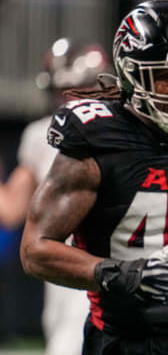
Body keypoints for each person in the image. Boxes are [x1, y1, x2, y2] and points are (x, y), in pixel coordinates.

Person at [20, 0, 168, 354]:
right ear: (131, 75)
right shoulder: (98, 139)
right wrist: (121, 273)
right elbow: (35, 251)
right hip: (125, 333)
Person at [0, 38, 109, 355]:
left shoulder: (127, 132)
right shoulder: (41, 135)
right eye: (63, 93)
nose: (69, 102)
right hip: (65, 277)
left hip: (115, 271)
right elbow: (10, 210)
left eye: (76, 91)